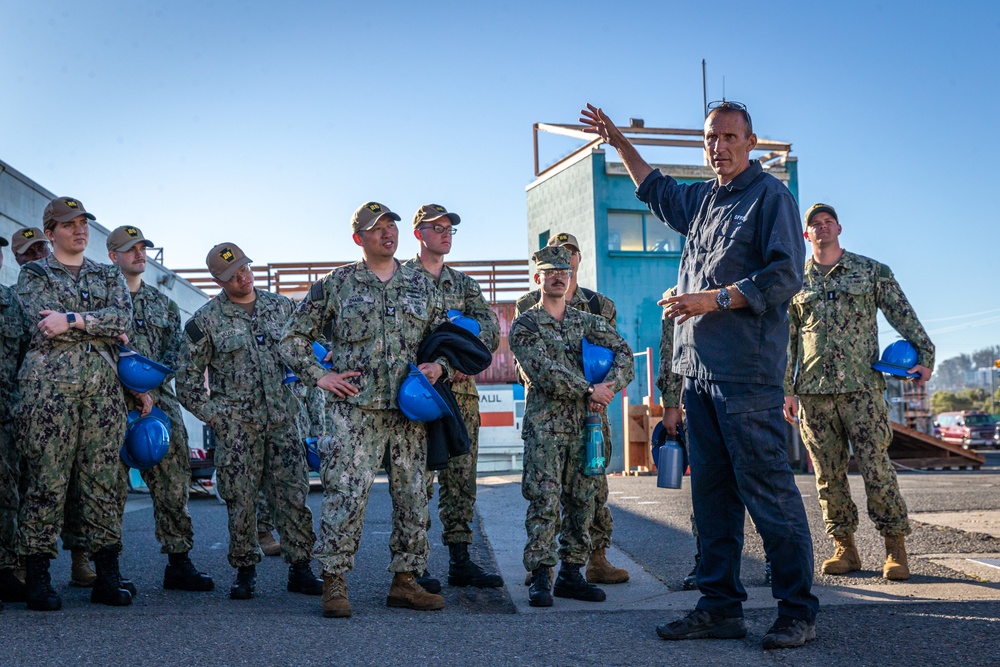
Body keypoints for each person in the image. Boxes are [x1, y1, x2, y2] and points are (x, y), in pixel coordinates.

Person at [581, 101, 817, 649]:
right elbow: (654, 187)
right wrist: (617, 140)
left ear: (751, 142)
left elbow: (786, 274)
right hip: (700, 376)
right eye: (712, 138)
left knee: (768, 492)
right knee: (710, 495)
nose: (721, 146)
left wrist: (717, 299)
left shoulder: (770, 198)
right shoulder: (705, 200)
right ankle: (719, 607)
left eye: (731, 137)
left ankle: (797, 610)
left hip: (747, 376)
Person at [280, 201, 450, 618]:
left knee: (414, 497)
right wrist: (319, 376)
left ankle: (406, 581)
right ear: (359, 238)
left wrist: (441, 366)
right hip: (353, 413)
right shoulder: (336, 285)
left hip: (410, 413)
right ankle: (334, 582)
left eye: (391, 224)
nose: (386, 232)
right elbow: (292, 339)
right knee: (346, 497)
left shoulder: (421, 284)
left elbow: (446, 338)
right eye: (376, 228)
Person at [783, 203, 934, 581]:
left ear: (839, 228)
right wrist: (786, 388)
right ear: (807, 235)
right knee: (827, 474)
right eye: (815, 224)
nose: (822, 228)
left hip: (862, 390)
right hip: (814, 394)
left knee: (876, 468)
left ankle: (894, 548)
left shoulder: (870, 271)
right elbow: (786, 341)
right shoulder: (794, 282)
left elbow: (903, 314)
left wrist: (925, 355)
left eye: (827, 222)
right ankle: (844, 548)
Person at [175, 242, 322, 601]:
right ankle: (245, 571)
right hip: (238, 427)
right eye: (232, 275)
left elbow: (309, 353)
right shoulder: (205, 321)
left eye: (244, 269)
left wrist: (307, 406)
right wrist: (216, 416)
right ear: (217, 280)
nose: (242, 277)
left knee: (292, 495)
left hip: (285, 422)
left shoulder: (283, 307)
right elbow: (187, 380)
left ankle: (300, 568)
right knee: (240, 500)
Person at [15, 197, 134, 610]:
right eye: (68, 225)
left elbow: (123, 319)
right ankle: (38, 576)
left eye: (83, 222)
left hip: (102, 393)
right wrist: (97, 325)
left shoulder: (108, 274)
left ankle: (107, 575)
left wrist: (71, 319)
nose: (79, 230)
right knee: (47, 482)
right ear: (50, 233)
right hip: (48, 393)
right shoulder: (33, 274)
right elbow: (40, 324)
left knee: (104, 482)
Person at [509, 245, 634, 608]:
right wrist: (588, 389)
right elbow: (542, 371)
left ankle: (571, 574)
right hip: (545, 429)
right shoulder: (526, 324)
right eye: (550, 272)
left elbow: (624, 354)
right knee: (544, 502)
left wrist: (608, 388)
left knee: (583, 501)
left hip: (586, 426)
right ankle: (540, 574)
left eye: (563, 271)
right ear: (538, 278)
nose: (558, 276)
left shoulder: (587, 321)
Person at [106, 225, 214, 592]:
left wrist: (148, 386)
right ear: (112, 256)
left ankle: (179, 562)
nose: (139, 254)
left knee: (172, 482)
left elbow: (176, 353)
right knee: (109, 487)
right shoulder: (101, 302)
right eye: (130, 249)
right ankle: (107, 565)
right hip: (111, 400)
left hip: (158, 402)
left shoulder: (162, 304)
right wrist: (130, 389)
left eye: (142, 248)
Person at [403, 203, 503, 592]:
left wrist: (448, 362)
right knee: (416, 482)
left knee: (461, 481)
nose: (446, 234)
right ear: (419, 234)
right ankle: (415, 566)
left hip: (459, 394)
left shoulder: (465, 285)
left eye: (450, 229)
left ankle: (461, 561)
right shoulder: (400, 280)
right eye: (438, 227)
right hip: (416, 398)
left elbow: (490, 333)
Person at [0, 234, 30, 608]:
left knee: (8, 493)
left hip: (7, 413)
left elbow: (28, 357)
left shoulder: (12, 303)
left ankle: (6, 569)